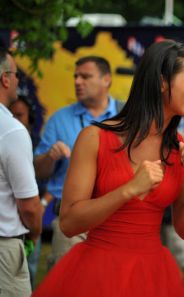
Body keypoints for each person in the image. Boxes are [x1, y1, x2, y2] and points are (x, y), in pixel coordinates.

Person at [32, 40, 184, 297]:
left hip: (152, 276)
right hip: (96, 273)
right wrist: (129, 189)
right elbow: (68, 223)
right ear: (162, 82)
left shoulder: (182, 145)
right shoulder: (94, 138)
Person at [33, 55, 123, 268]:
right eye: (76, 76)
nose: (77, 82)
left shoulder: (126, 117)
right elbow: (38, 171)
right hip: (71, 224)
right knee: (68, 285)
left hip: (116, 221)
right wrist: (49, 156)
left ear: (106, 80)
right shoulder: (59, 118)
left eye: (85, 76)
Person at [0, 49, 43, 296]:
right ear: (5, 79)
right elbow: (28, 205)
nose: (17, 81)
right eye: (15, 75)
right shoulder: (12, 130)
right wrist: (35, 234)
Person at [9, 95, 51, 289]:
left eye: (20, 115)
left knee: (30, 271)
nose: (14, 120)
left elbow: (53, 180)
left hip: (31, 218)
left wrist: (41, 205)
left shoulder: (36, 144)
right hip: (12, 223)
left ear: (30, 120)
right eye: (11, 115)